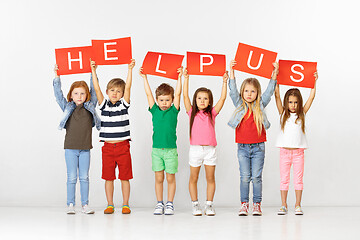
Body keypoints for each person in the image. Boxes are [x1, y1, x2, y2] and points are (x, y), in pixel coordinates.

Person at [228, 60, 279, 216]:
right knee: (244, 177)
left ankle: (256, 204)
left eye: (253, 91)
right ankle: (244, 204)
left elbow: (270, 91)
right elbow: (232, 91)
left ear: (257, 93)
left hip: (258, 147)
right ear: (243, 92)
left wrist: (274, 73)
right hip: (243, 147)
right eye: (246, 91)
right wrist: (232, 71)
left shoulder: (260, 105)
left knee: (256, 177)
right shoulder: (239, 104)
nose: (249, 94)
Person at [53, 60, 101, 214]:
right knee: (72, 177)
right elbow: (58, 94)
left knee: (84, 177)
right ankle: (71, 204)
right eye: (76, 93)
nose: (79, 96)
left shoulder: (90, 107)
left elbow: (94, 89)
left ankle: (85, 205)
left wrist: (93, 71)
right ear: (71, 95)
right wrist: (56, 75)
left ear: (86, 95)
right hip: (70, 149)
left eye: (82, 93)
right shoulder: (68, 107)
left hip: (85, 149)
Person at [91, 59, 135, 214]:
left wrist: (130, 69)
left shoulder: (124, 105)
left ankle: (125, 204)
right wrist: (94, 71)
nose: (115, 93)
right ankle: (110, 204)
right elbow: (96, 90)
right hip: (108, 148)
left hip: (123, 146)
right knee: (108, 177)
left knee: (125, 177)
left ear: (122, 94)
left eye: (118, 91)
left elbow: (128, 86)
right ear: (107, 91)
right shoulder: (104, 105)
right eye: (112, 90)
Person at [183, 68, 228, 216]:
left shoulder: (212, 113)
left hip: (210, 150)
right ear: (195, 100)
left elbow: (222, 99)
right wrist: (186, 78)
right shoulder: (191, 112)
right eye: (199, 98)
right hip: (195, 150)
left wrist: (224, 82)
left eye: (205, 98)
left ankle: (209, 205)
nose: (202, 101)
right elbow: (184, 95)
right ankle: (195, 204)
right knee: (193, 177)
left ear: (209, 101)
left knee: (210, 178)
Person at [139, 67, 183, 215]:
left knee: (170, 177)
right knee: (159, 177)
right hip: (157, 150)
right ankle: (159, 203)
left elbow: (178, 93)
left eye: (167, 100)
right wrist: (145, 78)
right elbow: (148, 93)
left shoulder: (174, 110)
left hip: (171, 150)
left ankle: (170, 203)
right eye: (161, 100)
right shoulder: (155, 110)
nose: (164, 103)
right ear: (157, 101)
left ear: (171, 101)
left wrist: (179, 78)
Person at [274, 72, 318, 215]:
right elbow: (277, 96)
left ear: (299, 103)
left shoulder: (302, 114)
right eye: (290, 102)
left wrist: (314, 82)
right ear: (287, 102)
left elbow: (312, 97)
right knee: (284, 179)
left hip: (298, 153)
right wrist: (277, 81)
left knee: (298, 179)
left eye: (296, 102)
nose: (293, 105)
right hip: (284, 153)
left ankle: (298, 205)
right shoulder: (282, 113)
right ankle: (283, 204)